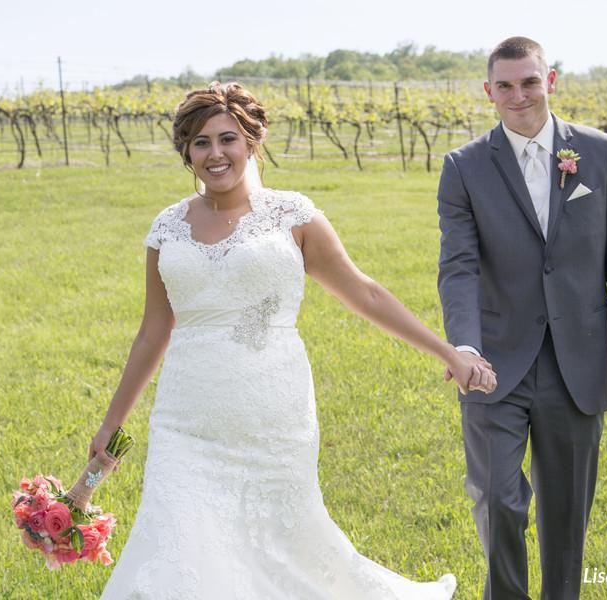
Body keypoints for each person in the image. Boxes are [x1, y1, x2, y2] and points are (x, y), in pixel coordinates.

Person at [89, 81, 495, 599]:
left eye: (227, 139)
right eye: (200, 142)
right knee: (179, 546)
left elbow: (366, 294)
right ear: (185, 151)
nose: (215, 154)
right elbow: (152, 332)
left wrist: (449, 352)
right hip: (185, 419)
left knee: (285, 547)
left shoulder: (293, 215)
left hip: (272, 414)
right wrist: (111, 426)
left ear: (251, 142)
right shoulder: (167, 227)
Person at [436, 37, 607, 600]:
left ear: (551, 81)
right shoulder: (463, 167)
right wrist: (462, 346)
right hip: (493, 362)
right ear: (489, 92)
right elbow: (458, 267)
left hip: (577, 363)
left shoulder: (601, 152)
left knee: (566, 516)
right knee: (499, 500)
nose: (519, 95)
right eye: (505, 86)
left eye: (529, 82)